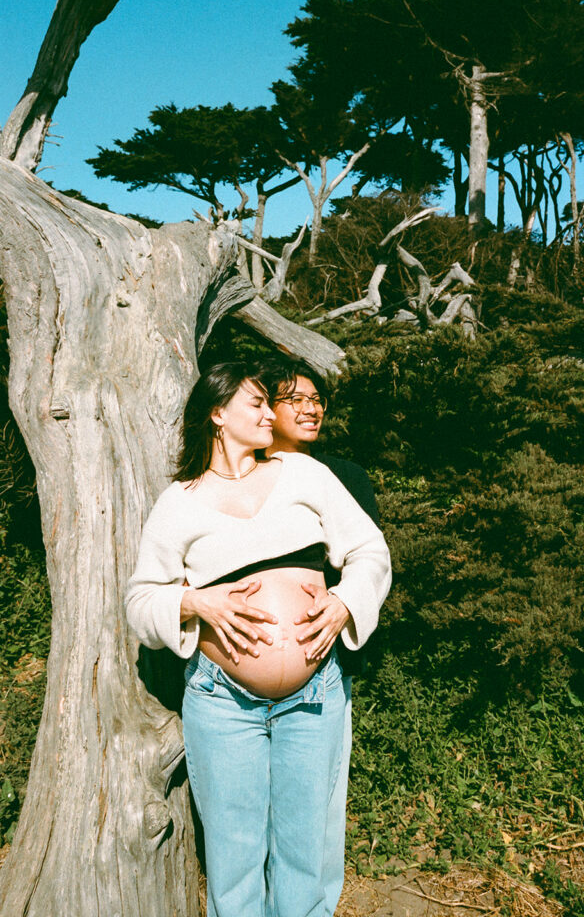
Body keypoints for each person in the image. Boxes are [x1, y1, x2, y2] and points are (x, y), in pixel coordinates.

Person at [125, 362, 391, 917]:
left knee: (304, 852)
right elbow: (140, 602)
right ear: (218, 415)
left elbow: (371, 553)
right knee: (235, 856)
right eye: (257, 404)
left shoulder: (304, 476)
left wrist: (344, 604)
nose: (272, 414)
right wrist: (193, 601)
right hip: (223, 703)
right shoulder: (179, 501)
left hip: (314, 693)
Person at [257, 358, 380, 917]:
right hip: (234, 677)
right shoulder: (235, 474)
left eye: (316, 399)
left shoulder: (346, 475)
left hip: (322, 669)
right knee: (252, 809)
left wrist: (344, 608)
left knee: (320, 807)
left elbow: (368, 562)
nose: (310, 408)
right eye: (294, 398)